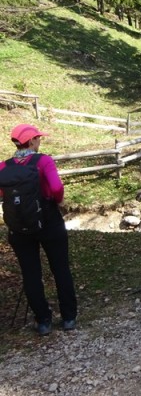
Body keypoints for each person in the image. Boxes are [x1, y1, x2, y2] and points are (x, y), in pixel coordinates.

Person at [0, 124, 77, 335]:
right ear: (32, 141)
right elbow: (56, 187)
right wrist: (59, 202)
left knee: (31, 274)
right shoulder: (43, 161)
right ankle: (68, 317)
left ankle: (43, 321)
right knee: (60, 268)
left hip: (19, 227)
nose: (39, 141)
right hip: (48, 220)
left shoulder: (3, 167)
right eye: (38, 138)